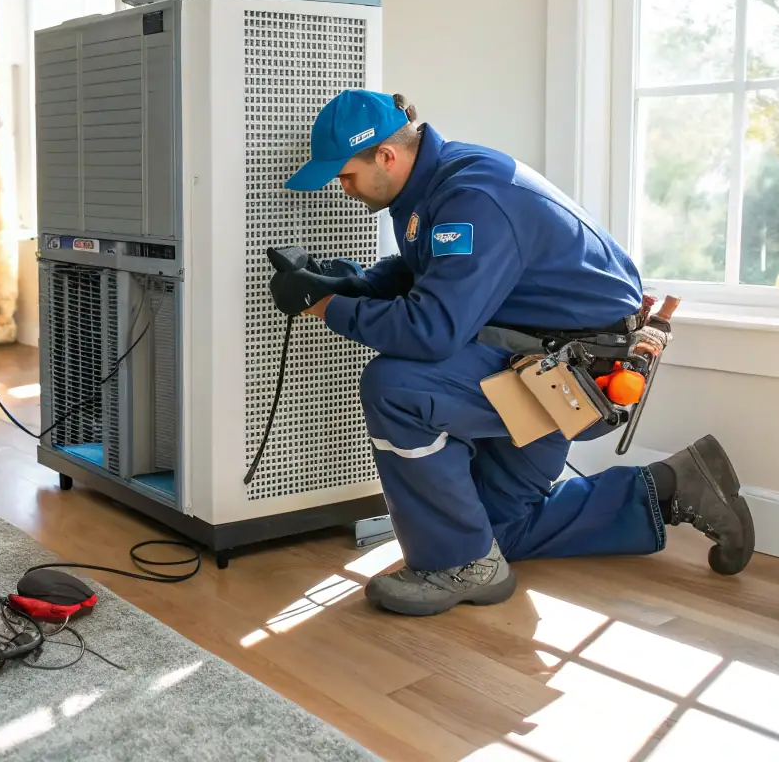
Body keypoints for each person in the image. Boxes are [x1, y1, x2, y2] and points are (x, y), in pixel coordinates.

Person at [270, 89, 754, 617]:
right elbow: (430, 274)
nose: (344, 190)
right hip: (540, 355)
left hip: (575, 377)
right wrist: (353, 282)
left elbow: (432, 330)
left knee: (396, 388)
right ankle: (669, 487)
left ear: (385, 156)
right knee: (491, 529)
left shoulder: (474, 197)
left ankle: (458, 565)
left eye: (345, 177)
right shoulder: (437, 184)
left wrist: (325, 307)